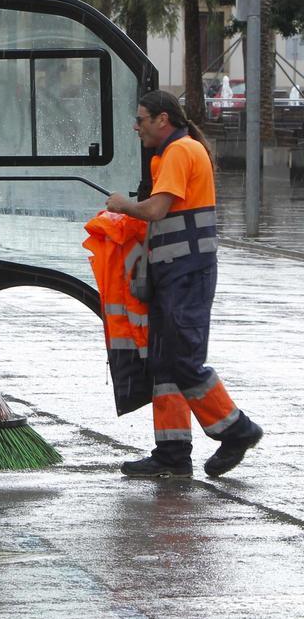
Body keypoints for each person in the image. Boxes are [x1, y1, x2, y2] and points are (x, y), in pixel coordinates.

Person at [105, 90, 263, 478]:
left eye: (141, 119)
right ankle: (172, 455)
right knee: (164, 364)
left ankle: (237, 430)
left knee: (183, 361)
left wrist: (123, 205)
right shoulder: (172, 153)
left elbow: (157, 209)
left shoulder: (180, 151)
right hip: (174, 272)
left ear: (163, 119)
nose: (136, 126)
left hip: (187, 273)